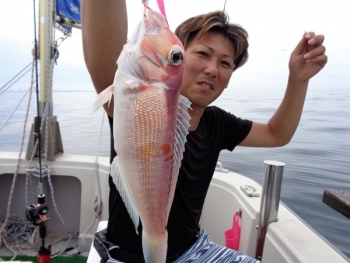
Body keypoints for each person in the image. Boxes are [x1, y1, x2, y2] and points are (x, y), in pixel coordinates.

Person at [81, 1, 327, 262]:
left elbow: (277, 134)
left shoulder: (218, 123)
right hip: (125, 256)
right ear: (182, 57)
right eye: (202, 54)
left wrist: (298, 79)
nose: (212, 69)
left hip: (196, 248)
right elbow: (104, 61)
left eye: (225, 63)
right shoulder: (138, 99)